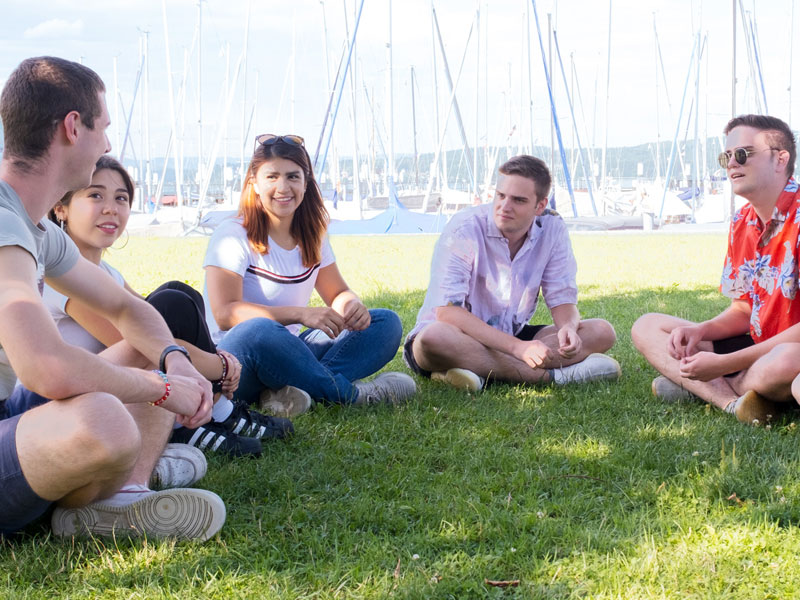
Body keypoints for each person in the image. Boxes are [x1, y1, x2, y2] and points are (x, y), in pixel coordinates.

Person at [0, 56, 224, 540]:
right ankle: (104, 476)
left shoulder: (35, 226)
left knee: (148, 344)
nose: (106, 144)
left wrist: (175, 360)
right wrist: (162, 388)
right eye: (103, 129)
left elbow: (127, 308)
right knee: (107, 421)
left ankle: (123, 494)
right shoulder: (4, 225)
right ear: (72, 128)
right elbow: (45, 367)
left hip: (11, 412)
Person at [36, 155, 292, 458]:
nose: (111, 208)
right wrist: (220, 366)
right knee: (169, 305)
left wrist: (218, 362)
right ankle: (202, 417)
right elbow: (137, 345)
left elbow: (151, 322)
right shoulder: (59, 277)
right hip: (76, 398)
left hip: (119, 383)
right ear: (60, 207)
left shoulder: (106, 274)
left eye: (121, 198)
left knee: (177, 293)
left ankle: (212, 412)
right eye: (95, 195)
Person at [204, 134, 416, 408]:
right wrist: (301, 314)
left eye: (293, 176)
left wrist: (352, 306)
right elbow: (224, 314)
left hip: (291, 351)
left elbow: (337, 293)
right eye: (272, 177)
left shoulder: (313, 234)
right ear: (254, 183)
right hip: (235, 360)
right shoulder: (232, 234)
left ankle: (290, 391)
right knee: (259, 330)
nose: (283, 187)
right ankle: (352, 396)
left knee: (384, 323)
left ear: (306, 183)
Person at [632, 114, 800, 425]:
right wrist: (701, 330)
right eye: (726, 156)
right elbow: (743, 309)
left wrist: (724, 364)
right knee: (647, 326)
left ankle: (702, 387)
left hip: (788, 351)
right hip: (758, 346)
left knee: (789, 358)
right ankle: (730, 402)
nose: (731, 164)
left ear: (780, 159)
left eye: (743, 154)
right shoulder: (742, 221)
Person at [405, 155, 620, 391]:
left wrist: (567, 327)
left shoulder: (552, 227)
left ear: (540, 206)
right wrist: (518, 349)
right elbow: (447, 312)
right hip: (455, 333)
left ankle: (472, 371)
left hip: (510, 333)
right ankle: (555, 377)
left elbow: (561, 297)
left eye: (518, 200)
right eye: (500, 195)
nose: (504, 206)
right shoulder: (463, 228)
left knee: (602, 332)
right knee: (434, 338)